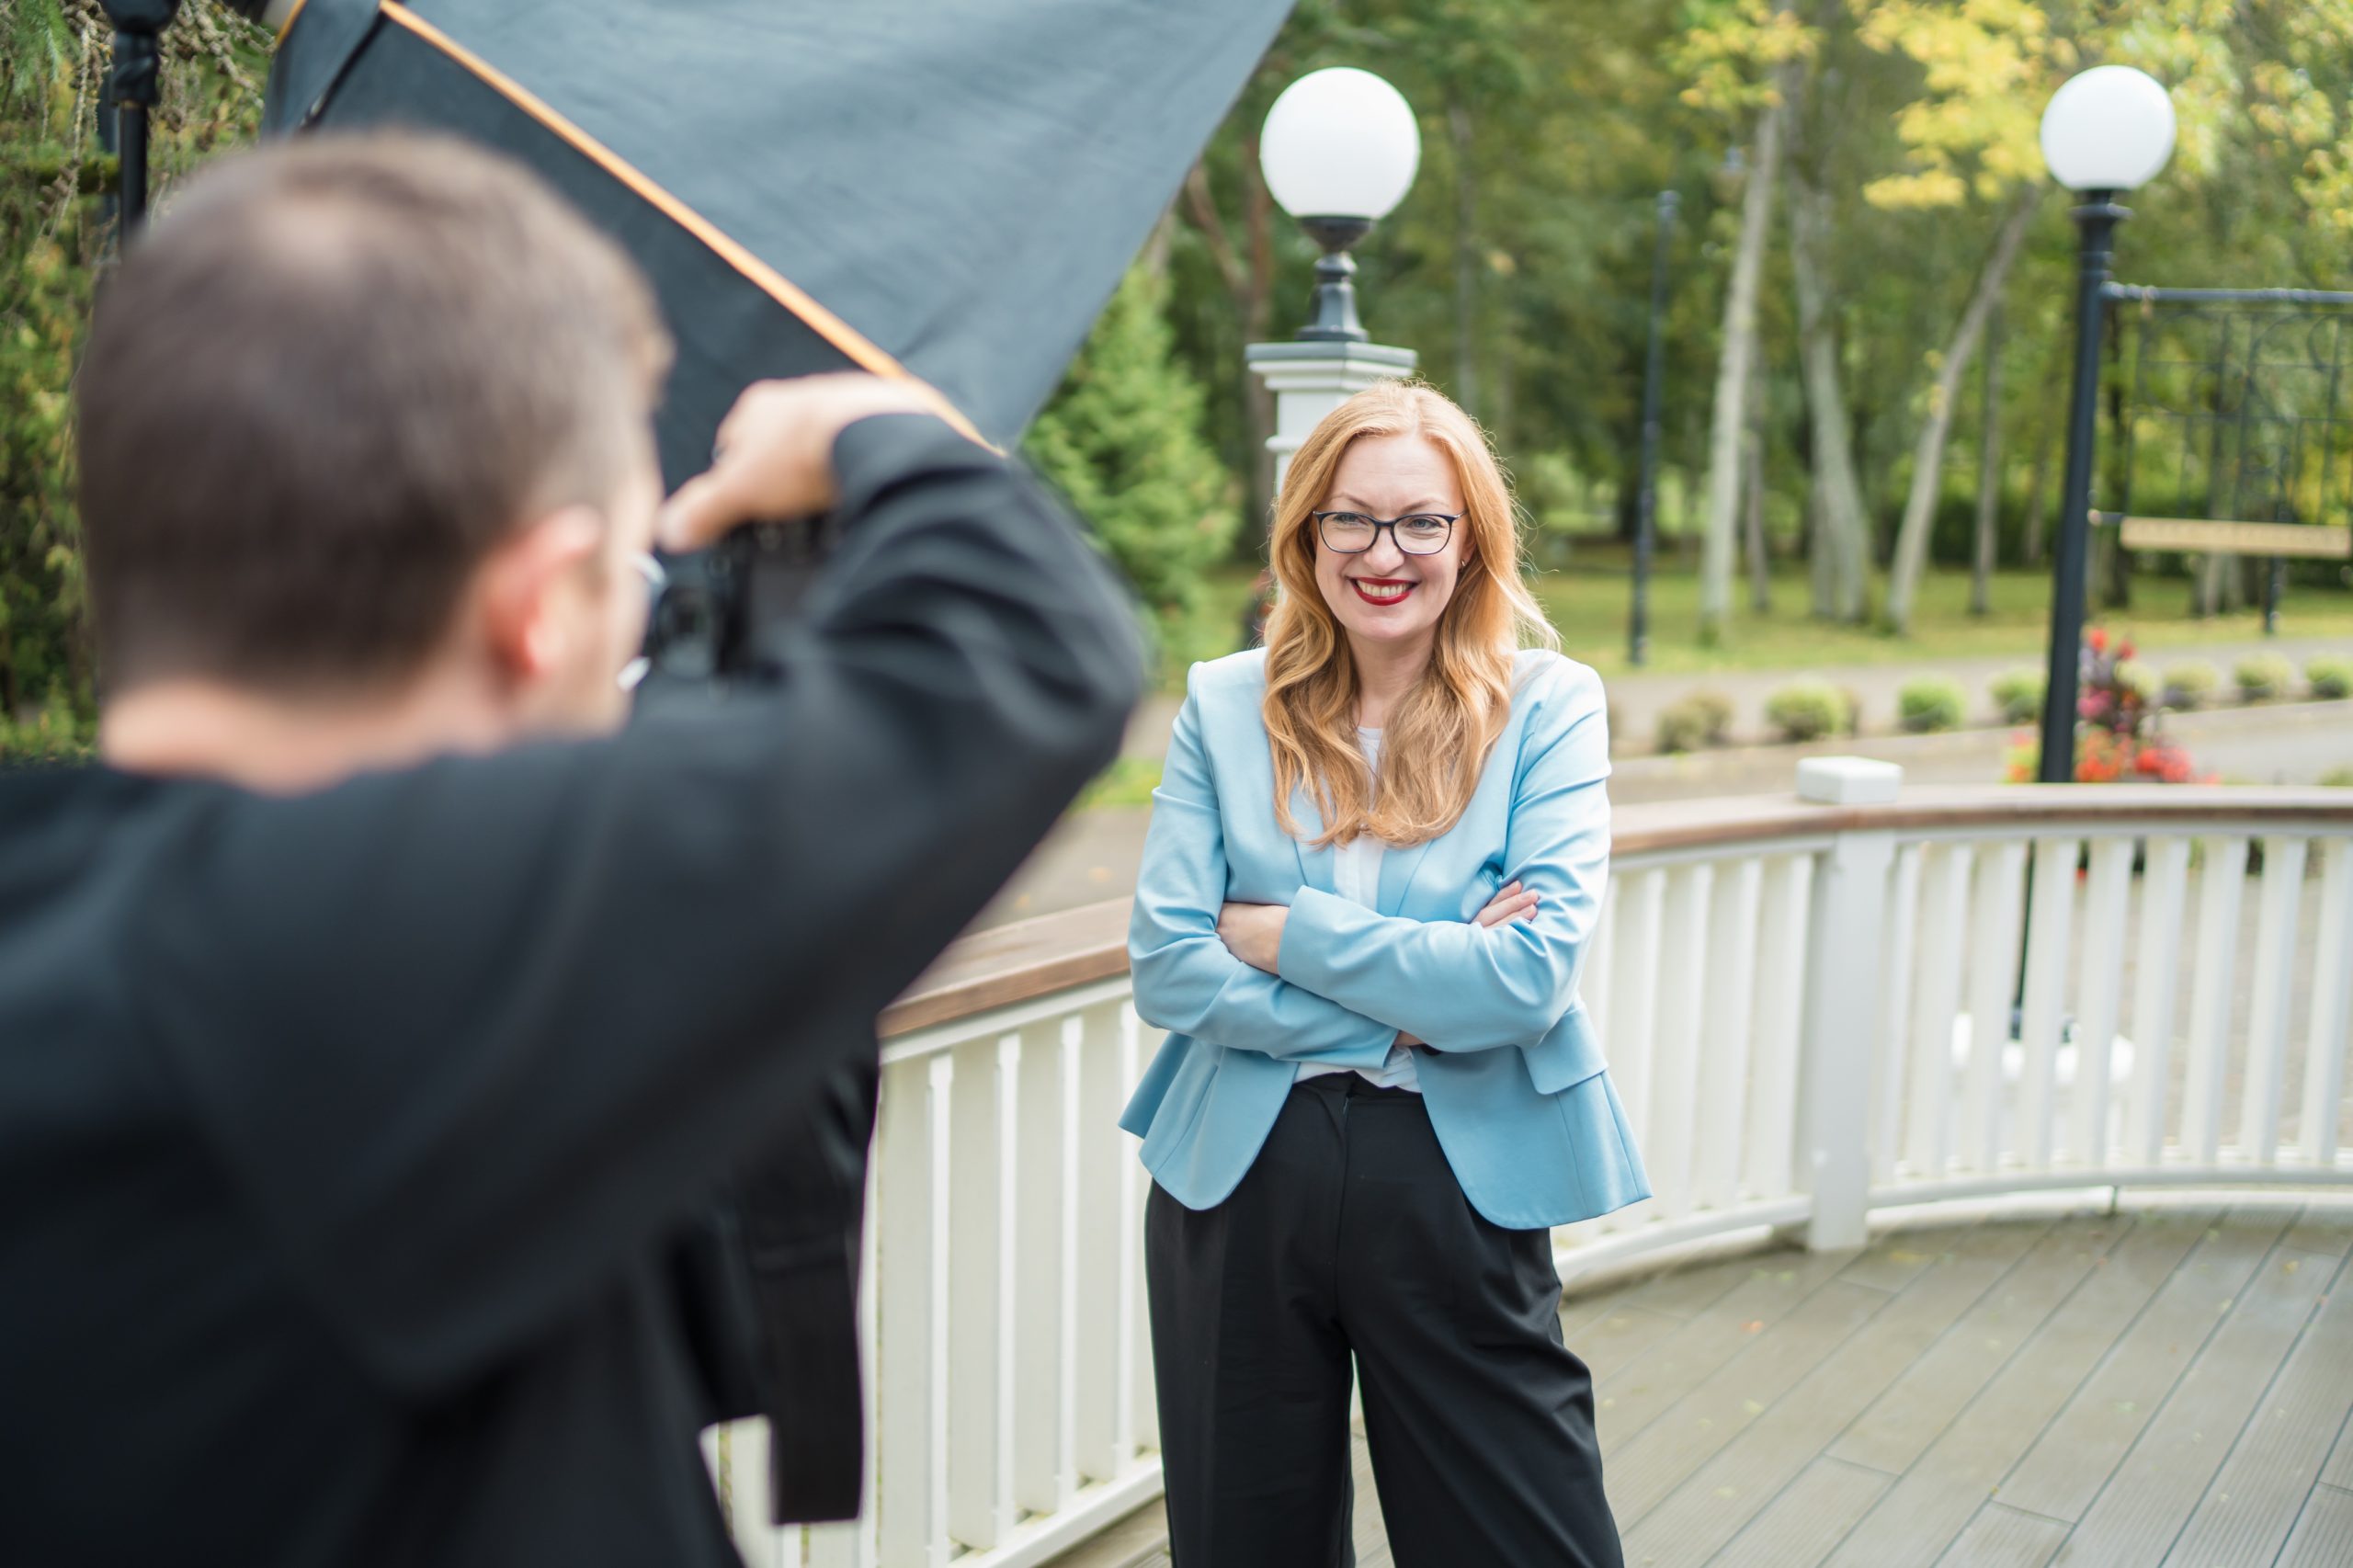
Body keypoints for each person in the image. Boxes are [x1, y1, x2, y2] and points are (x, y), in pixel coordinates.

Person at [0, 133, 1142, 1566]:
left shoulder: (76, 919)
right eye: (626, 578)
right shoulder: (366, 946)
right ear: (538, 607)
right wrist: (876, 427)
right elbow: (1028, 646)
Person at [1120, 381, 1648, 1567]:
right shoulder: (1224, 701)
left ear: (1472, 540)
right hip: (1240, 1171)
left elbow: (1524, 981)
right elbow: (1169, 966)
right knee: (1245, 1542)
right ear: (1306, 533)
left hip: (1454, 1175)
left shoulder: (1548, 706)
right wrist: (1404, 1009)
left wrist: (1282, 934)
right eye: (1350, 519)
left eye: (1421, 522)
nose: (1383, 552)